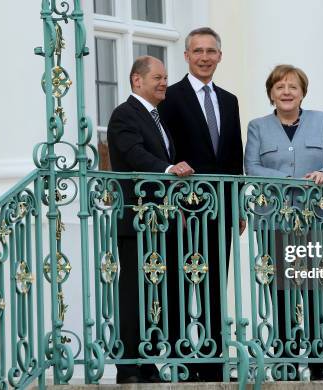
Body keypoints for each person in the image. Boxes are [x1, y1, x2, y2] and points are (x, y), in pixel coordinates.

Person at [244, 64, 323, 381]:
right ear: (271, 94)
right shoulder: (258, 126)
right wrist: (290, 179)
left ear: (302, 92)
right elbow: (252, 166)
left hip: (315, 219)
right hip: (274, 220)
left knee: (316, 289)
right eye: (279, 87)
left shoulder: (321, 121)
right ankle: (287, 358)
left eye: (292, 87)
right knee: (282, 290)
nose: (286, 92)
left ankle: (319, 363)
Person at [158, 27, 244, 382]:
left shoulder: (229, 99)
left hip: (220, 208)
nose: (205, 57)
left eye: (211, 51)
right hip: (182, 208)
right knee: (179, 283)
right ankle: (181, 359)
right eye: (198, 51)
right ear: (186, 56)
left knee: (213, 285)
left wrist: (237, 205)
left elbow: (234, 156)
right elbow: (166, 151)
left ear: (220, 56)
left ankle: (211, 360)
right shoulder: (171, 97)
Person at [107, 55, 194, 383]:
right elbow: (134, 154)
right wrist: (169, 169)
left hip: (162, 219)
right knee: (133, 292)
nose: (163, 83)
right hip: (137, 218)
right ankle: (128, 366)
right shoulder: (124, 115)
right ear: (136, 80)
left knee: (156, 294)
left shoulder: (158, 118)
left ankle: (147, 361)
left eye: (165, 77)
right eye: (157, 77)